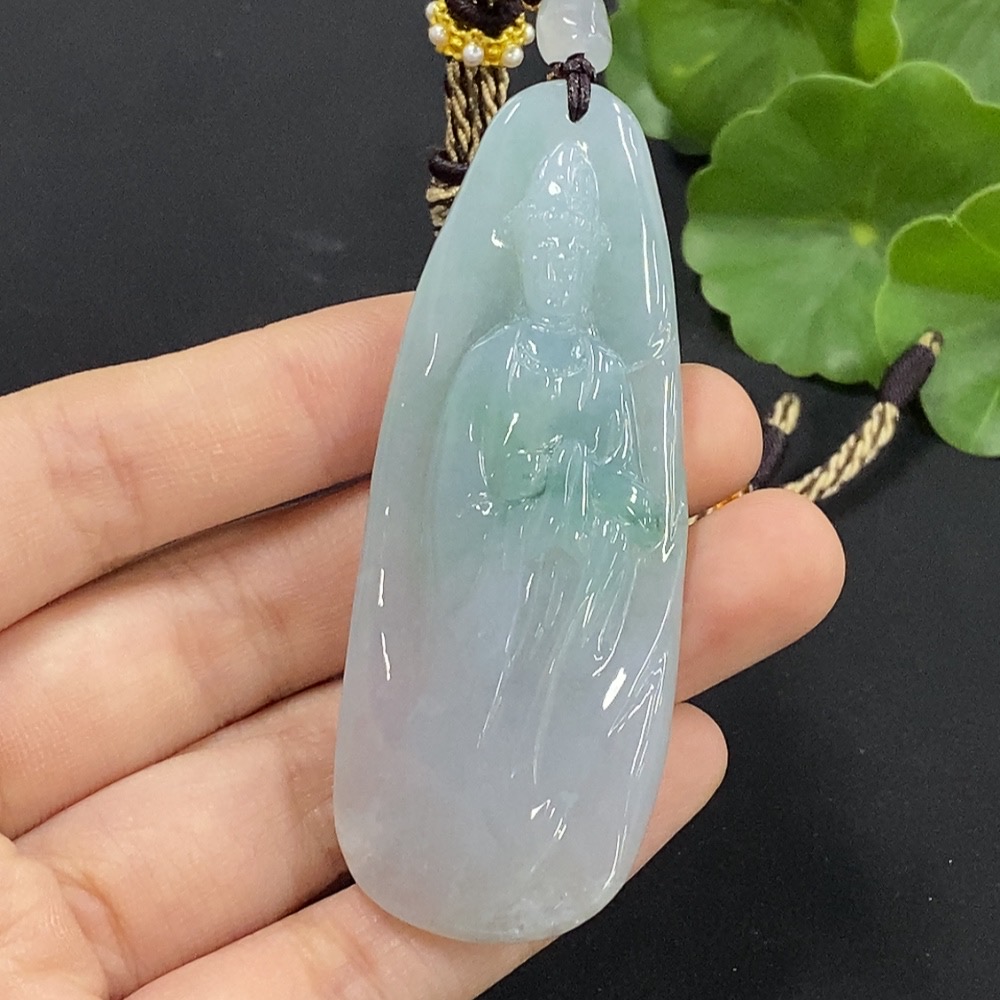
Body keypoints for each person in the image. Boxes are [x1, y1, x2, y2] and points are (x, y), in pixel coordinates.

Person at [0, 292, 843, 998]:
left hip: (558, 578)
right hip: (493, 570)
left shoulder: (601, 369)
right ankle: (454, 820)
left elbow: (622, 490)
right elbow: (467, 478)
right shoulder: (496, 360)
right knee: (464, 695)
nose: (562, 257)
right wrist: (536, 489)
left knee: (539, 709)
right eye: (551, 236)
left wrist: (597, 500)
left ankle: (509, 827)